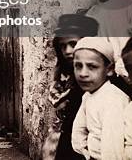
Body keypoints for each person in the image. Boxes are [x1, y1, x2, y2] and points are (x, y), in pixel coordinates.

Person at [41, 14, 99, 160]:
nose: (67, 51)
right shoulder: (63, 75)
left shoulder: (94, 80)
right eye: (63, 46)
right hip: (63, 139)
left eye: (73, 44)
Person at [71, 37, 130, 160]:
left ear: (108, 70)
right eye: (78, 66)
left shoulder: (113, 100)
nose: (83, 73)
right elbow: (78, 131)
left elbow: (113, 151)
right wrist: (86, 152)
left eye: (92, 66)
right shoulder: (88, 95)